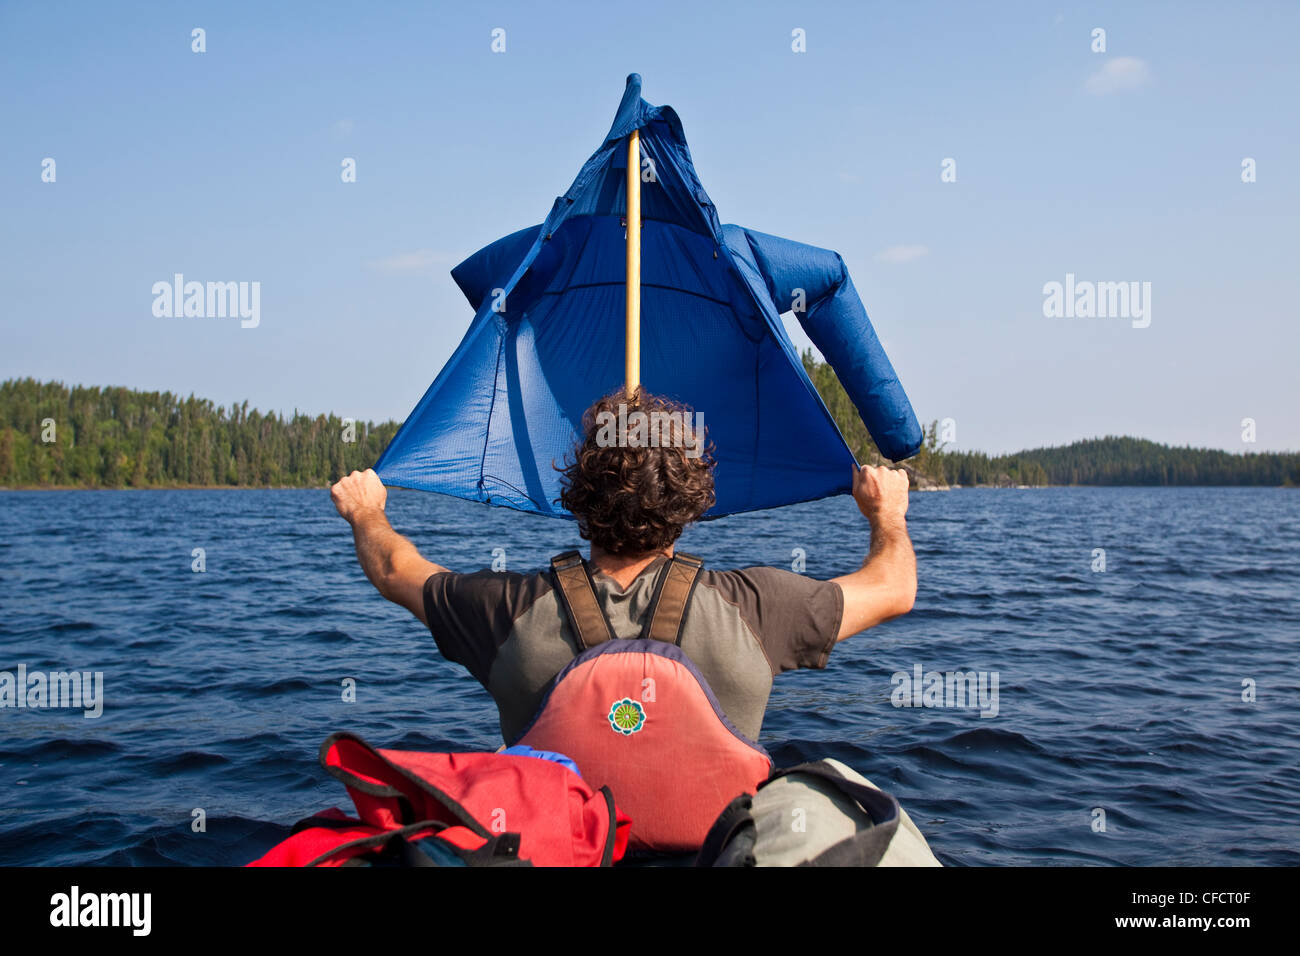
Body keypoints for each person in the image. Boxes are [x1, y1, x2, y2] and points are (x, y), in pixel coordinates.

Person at [329, 389, 916, 746]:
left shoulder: (502, 612)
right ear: (692, 502)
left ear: (577, 494)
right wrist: (885, 514)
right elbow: (894, 588)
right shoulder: (760, 609)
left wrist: (367, 512)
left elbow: (392, 568)